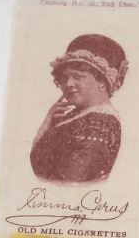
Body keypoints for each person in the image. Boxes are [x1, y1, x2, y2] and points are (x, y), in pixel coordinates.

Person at [29, 34, 126, 184]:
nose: (68, 84)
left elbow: (69, 181)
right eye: (64, 78)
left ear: (102, 81)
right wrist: (47, 122)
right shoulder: (71, 117)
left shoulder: (101, 124)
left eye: (78, 77)